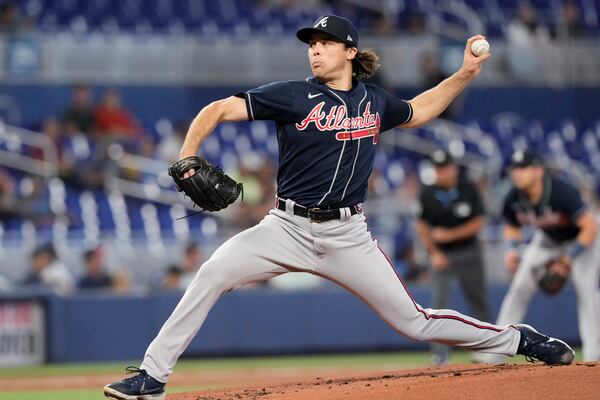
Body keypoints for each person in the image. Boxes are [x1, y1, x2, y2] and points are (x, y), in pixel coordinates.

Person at [104, 15, 574, 400]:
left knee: (415, 321)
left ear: (350, 52)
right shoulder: (293, 94)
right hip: (284, 227)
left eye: (326, 42)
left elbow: (420, 111)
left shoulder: (374, 101)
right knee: (211, 273)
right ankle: (152, 376)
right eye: (312, 43)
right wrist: (187, 153)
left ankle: (519, 339)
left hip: (348, 236)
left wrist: (466, 74)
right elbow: (220, 108)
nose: (315, 49)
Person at [489, 150, 600, 362]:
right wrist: (512, 249)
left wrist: (567, 259)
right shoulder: (514, 196)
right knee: (519, 287)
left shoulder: (560, 191)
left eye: (523, 168)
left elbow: (590, 228)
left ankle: (594, 358)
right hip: (548, 240)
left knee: (586, 290)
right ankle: (495, 353)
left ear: (538, 170)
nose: (518, 173)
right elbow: (512, 226)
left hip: (582, 242)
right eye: (515, 169)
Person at [416, 150, 490, 365]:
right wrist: (434, 252)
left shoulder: (468, 188)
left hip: (469, 251)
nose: (441, 173)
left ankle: (485, 349)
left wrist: (450, 235)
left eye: (445, 168)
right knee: (439, 305)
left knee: (478, 301)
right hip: (442, 255)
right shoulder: (428, 192)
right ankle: (439, 353)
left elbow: (479, 222)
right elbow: (421, 225)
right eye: (437, 169)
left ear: (454, 168)